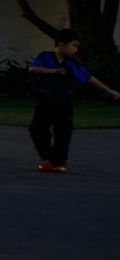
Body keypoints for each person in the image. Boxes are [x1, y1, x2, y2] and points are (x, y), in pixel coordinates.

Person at [28, 31, 118, 173]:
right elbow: (32, 68)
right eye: (74, 46)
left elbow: (88, 78)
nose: (75, 49)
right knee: (37, 129)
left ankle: (58, 163)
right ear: (62, 44)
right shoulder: (45, 57)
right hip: (45, 101)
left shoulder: (72, 64)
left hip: (64, 103)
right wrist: (53, 71)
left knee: (63, 133)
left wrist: (109, 90)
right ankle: (49, 156)